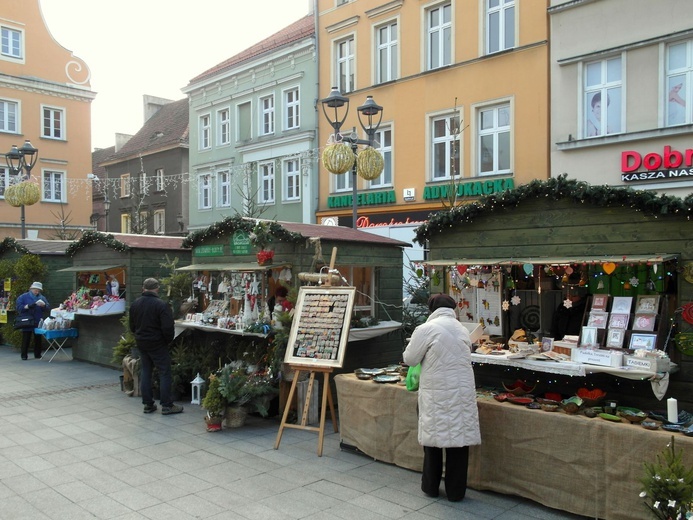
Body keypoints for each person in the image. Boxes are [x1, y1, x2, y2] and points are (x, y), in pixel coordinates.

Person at [402, 293, 481, 502]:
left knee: (433, 440)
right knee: (459, 441)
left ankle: (430, 487)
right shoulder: (462, 329)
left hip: (436, 393)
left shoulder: (426, 329)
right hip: (462, 393)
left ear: (432, 309)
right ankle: (456, 492)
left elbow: (409, 359)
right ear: (453, 309)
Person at [129, 278, 183, 415]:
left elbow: (132, 326)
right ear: (157, 288)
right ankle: (166, 405)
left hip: (142, 342)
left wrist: (139, 335)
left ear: (143, 288)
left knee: (146, 371)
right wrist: (167, 340)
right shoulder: (161, 305)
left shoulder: (135, 304)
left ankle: (148, 404)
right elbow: (167, 327)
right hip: (157, 343)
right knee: (164, 372)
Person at [15, 281, 50, 360]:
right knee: (26, 337)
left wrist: (44, 305)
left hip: (37, 320)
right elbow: (19, 308)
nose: (37, 291)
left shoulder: (42, 297)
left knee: (38, 338)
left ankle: (37, 354)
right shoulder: (23, 297)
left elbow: (47, 307)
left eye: (38, 290)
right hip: (27, 320)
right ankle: (24, 355)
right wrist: (28, 306)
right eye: (35, 290)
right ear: (31, 289)